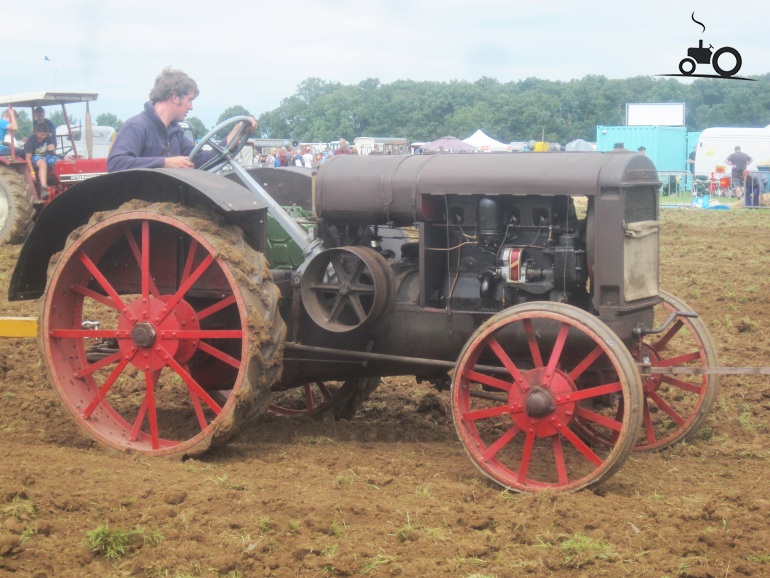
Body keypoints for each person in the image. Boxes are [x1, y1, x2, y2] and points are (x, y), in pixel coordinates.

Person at [107, 66, 256, 172]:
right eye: (189, 100)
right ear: (175, 97)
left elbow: (202, 160)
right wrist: (165, 163)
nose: (191, 107)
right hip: (143, 203)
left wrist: (236, 134)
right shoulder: (137, 126)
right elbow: (116, 163)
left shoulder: (174, 132)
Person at [24, 123, 58, 195]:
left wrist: (52, 148)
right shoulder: (31, 141)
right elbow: (28, 158)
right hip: (35, 157)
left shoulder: (48, 137)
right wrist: (32, 172)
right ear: (37, 132)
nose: (43, 137)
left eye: (44, 135)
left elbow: (52, 149)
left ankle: (60, 183)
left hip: (47, 156)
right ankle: (44, 188)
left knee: (59, 162)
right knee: (43, 163)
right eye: (41, 134)